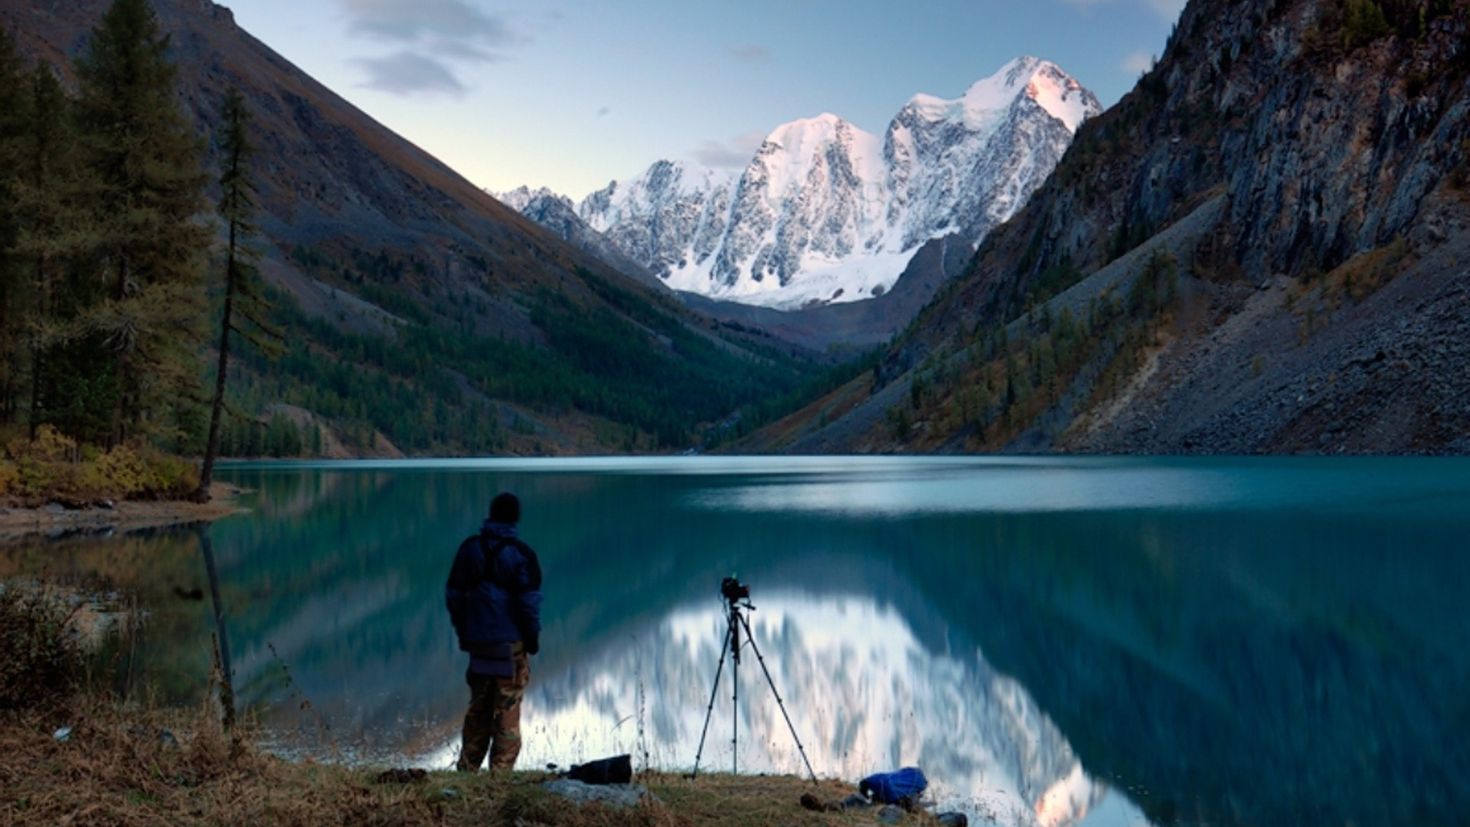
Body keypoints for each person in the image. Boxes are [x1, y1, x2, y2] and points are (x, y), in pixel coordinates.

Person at [445, 491, 543, 772]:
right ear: (515, 518)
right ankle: (499, 776)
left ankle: (467, 769)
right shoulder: (521, 554)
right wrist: (531, 638)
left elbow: (454, 595)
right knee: (507, 710)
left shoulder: (469, 549)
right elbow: (529, 603)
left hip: (478, 643)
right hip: (510, 645)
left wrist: (464, 630)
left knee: (478, 707)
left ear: (491, 514)